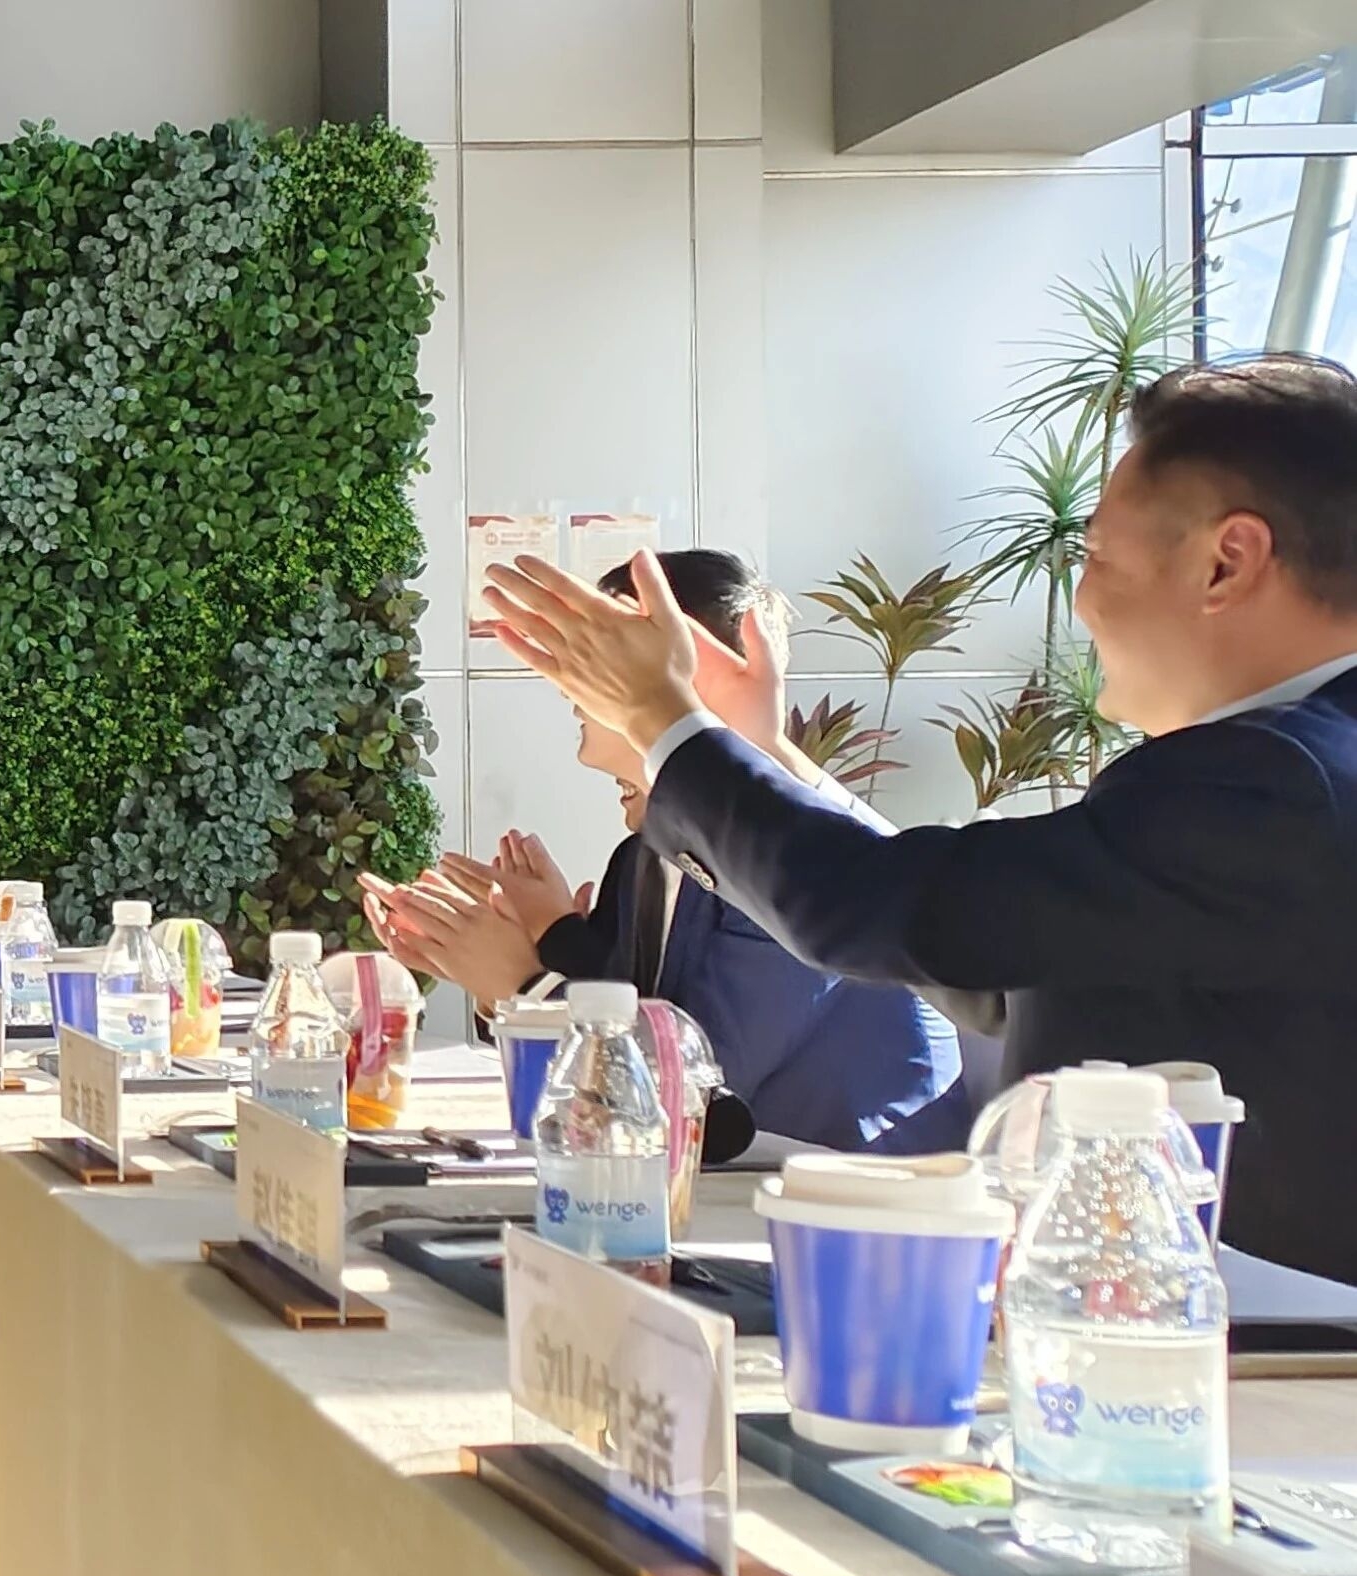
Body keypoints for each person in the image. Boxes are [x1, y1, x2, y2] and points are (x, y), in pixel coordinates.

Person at [483, 354, 1357, 1281]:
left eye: (1098, 555)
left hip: (1234, 1347)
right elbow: (985, 951)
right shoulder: (1290, 769)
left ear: (1227, 562)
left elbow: (900, 912)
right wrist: (756, 750)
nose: (1082, 597)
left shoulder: (1273, 781)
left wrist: (665, 723)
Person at [361, 550, 971, 1155]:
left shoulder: (801, 863)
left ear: (687, 682)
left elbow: (690, 1097)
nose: (577, 712)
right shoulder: (643, 861)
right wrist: (535, 943)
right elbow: (631, 1022)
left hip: (850, 1198)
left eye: (595, 679)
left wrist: (524, 984)